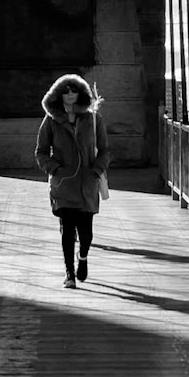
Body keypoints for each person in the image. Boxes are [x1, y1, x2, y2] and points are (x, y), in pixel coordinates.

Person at [33, 72, 109, 287]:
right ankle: (69, 273)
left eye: (74, 90)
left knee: (86, 234)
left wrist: (96, 170)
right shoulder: (51, 120)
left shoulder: (94, 119)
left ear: (81, 93)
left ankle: (82, 258)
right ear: (57, 95)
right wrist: (54, 169)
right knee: (67, 229)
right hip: (63, 185)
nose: (69, 94)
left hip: (87, 184)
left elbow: (104, 150)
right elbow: (40, 151)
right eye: (65, 91)